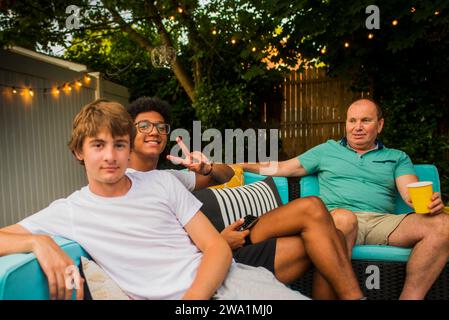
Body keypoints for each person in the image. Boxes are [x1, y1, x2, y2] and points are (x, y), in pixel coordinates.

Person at [0, 99, 312, 300]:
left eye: (119, 145)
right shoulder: (70, 210)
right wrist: (36, 242)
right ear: (79, 152)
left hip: (228, 284)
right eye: (98, 145)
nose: (110, 156)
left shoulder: (163, 182)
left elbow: (215, 247)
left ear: (129, 149)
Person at [126, 97, 364, 300]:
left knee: (326, 230)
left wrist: (207, 169)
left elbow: (226, 175)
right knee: (324, 226)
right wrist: (218, 242)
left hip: (228, 239)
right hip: (213, 254)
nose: (154, 132)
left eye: (160, 126)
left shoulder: (169, 177)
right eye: (144, 125)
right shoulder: (125, 185)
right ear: (127, 132)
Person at [241, 98, 449, 300]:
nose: (357, 127)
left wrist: (429, 201)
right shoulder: (327, 150)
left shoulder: (397, 157)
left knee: (443, 224)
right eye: (352, 121)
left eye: (365, 120)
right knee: (344, 219)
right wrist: (242, 165)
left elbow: (410, 192)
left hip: (382, 222)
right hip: (338, 218)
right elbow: (284, 167)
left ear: (380, 125)